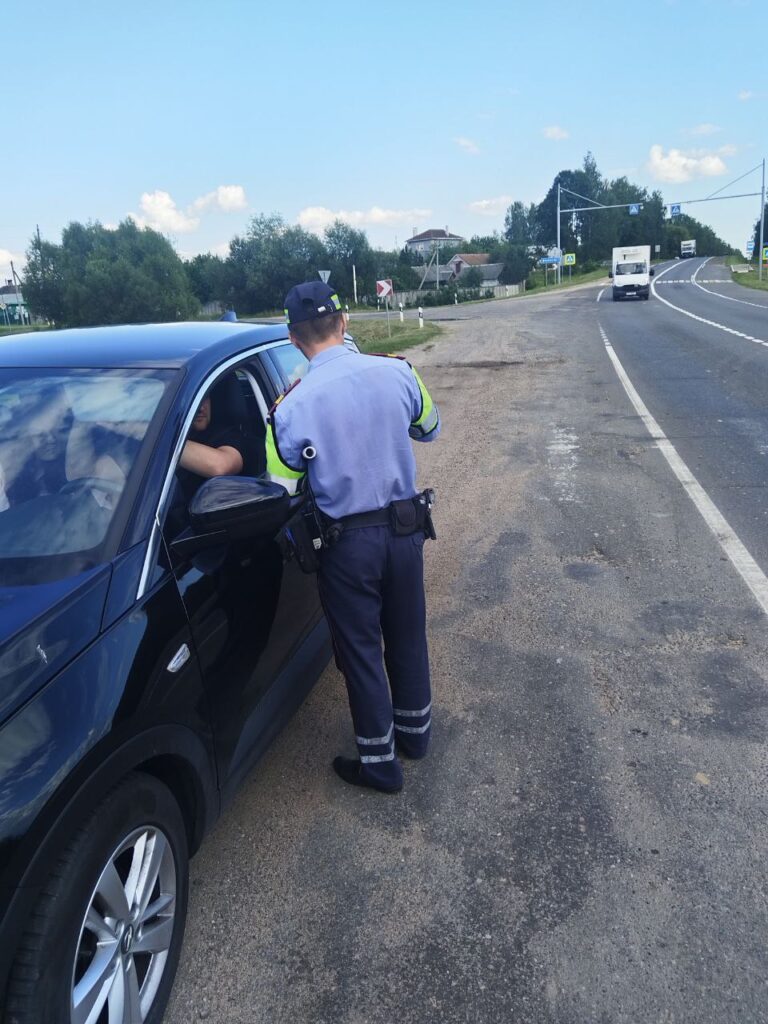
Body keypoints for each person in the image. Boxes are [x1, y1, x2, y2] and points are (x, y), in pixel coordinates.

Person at [266, 281, 440, 793]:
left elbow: (281, 489)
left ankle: (380, 765)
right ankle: (417, 737)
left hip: (346, 546)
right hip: (405, 530)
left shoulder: (289, 407)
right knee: (408, 635)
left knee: (362, 652)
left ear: (293, 339)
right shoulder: (399, 370)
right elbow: (430, 428)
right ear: (344, 324)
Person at [176, 392, 246, 504]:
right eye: (192, 400)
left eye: (204, 398)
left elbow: (222, 467)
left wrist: (167, 440)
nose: (201, 408)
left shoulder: (227, 434)